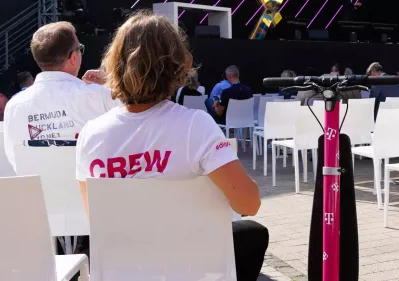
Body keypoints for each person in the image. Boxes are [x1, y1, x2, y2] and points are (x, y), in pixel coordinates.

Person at [75, 12, 268, 281]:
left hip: (127, 270)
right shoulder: (195, 126)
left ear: (115, 66)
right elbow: (250, 202)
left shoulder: (90, 135)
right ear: (176, 65)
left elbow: (96, 220)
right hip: (192, 268)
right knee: (253, 232)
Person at [3, 21, 120, 171]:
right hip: (94, 190)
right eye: (80, 49)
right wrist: (112, 84)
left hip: (38, 192)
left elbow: (14, 158)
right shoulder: (101, 96)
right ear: (73, 57)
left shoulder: (14, 106)